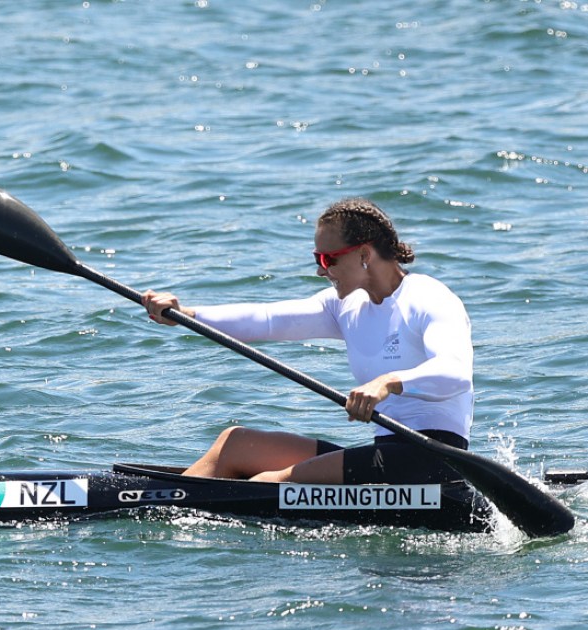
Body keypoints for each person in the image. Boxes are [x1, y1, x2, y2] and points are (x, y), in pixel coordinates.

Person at [141, 197, 473, 485]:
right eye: (318, 259)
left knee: (268, 482)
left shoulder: (428, 298)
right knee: (235, 444)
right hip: (385, 455)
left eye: (329, 260)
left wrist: (389, 382)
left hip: (433, 460)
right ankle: (166, 500)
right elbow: (267, 320)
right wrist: (186, 314)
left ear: (364, 254)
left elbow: (455, 373)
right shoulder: (346, 306)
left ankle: (171, 509)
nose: (320, 270)